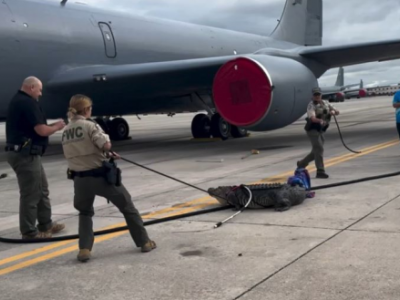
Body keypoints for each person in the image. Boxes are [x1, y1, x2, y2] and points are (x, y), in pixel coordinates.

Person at [61, 94, 156, 262]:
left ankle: (84, 249)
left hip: (79, 180)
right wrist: (107, 146)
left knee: (84, 212)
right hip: (100, 177)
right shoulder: (90, 125)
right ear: (86, 109)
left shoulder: (67, 130)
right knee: (128, 207)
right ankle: (145, 242)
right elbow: (105, 145)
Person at [5, 76, 66, 239]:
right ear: (31, 87)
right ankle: (29, 232)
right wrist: (57, 127)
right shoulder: (27, 103)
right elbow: (41, 131)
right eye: (39, 90)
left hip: (29, 154)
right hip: (25, 155)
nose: (40, 94)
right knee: (31, 194)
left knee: (42, 190)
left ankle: (46, 225)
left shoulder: (19, 100)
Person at [297, 87, 340, 179]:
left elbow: (337, 112)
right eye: (315, 95)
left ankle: (301, 163)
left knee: (316, 151)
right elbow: (312, 118)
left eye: (318, 94)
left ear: (321, 95)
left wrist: (333, 111)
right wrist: (319, 120)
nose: (317, 96)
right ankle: (320, 171)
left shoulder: (326, 103)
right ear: (312, 96)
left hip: (321, 130)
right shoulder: (311, 105)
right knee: (319, 149)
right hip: (313, 130)